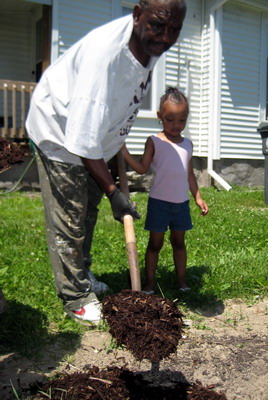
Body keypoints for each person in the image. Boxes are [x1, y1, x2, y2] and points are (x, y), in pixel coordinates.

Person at [25, 0, 187, 325]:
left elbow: (116, 106)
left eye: (174, 29)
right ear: (137, 14)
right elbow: (81, 139)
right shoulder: (105, 59)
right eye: (158, 25)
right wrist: (115, 191)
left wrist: (114, 148)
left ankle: (82, 273)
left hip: (97, 139)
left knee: (89, 210)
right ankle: (76, 297)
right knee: (70, 216)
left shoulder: (148, 45)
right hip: (59, 133)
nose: (165, 36)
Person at [122, 87, 208, 293]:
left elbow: (189, 174)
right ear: (160, 116)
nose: (176, 125)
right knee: (155, 244)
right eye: (170, 120)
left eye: (181, 120)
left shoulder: (188, 144)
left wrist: (198, 197)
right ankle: (150, 284)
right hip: (159, 204)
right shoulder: (155, 141)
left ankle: (182, 282)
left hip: (181, 204)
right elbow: (142, 168)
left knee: (179, 243)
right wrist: (124, 152)